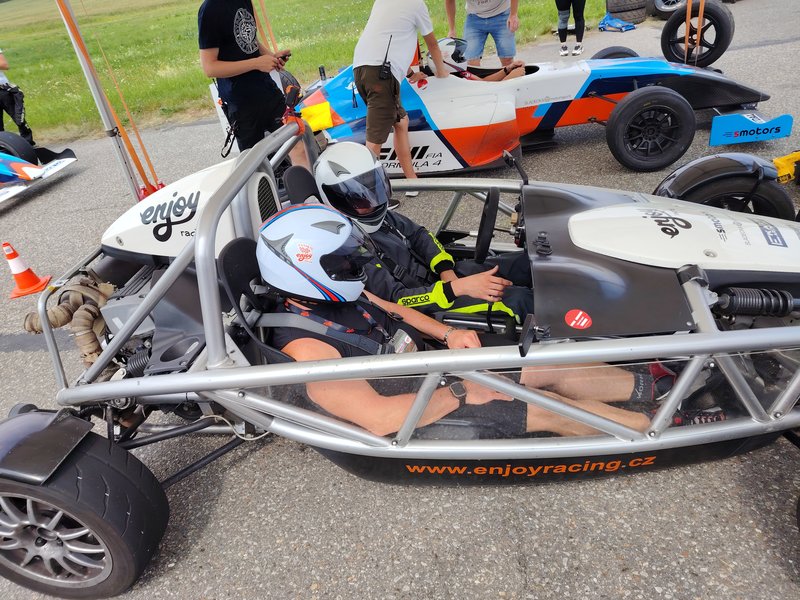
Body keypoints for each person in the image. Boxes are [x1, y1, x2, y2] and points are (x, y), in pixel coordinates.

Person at [256, 203, 652, 438]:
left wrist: (448, 332)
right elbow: (378, 418)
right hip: (424, 407)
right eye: (344, 263)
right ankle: (656, 427)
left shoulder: (339, 292)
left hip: (431, 366)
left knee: (544, 364)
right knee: (548, 405)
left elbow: (396, 309)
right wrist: (463, 393)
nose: (356, 268)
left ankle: (654, 386)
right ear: (302, 271)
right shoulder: (307, 349)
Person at [314, 142, 533, 320]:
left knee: (525, 264)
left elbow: (419, 234)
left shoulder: (383, 215)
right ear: (335, 198)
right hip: (428, 305)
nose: (373, 202)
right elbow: (396, 300)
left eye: (375, 189)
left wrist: (446, 271)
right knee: (520, 300)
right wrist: (455, 289)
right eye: (361, 198)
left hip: (443, 280)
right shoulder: (347, 250)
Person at [197, 0, 310, 169]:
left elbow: (250, 40)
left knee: (296, 145)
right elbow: (210, 68)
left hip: (267, 91)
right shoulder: (211, 9)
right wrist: (256, 63)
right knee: (256, 168)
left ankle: (306, 186)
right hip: (241, 104)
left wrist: (271, 57)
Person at [353, 0, 449, 194]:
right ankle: (366, 196)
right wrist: (442, 72)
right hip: (381, 75)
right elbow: (432, 44)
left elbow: (388, 40)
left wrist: (411, 74)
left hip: (362, 68)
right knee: (374, 141)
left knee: (401, 122)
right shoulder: (417, 4)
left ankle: (412, 182)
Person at [445, 0, 520, 68]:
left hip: (502, 13)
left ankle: (510, 77)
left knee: (507, 59)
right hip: (474, 18)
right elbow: (449, 1)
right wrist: (452, 30)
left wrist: (513, 14)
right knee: (471, 62)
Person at [429, 37, 525, 81]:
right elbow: (488, 91)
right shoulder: (453, 81)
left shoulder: (462, 74)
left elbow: (483, 82)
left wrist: (507, 69)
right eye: (459, 56)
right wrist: (511, 77)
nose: (463, 57)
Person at [0, 48, 35, 146]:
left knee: (19, 118)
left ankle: (29, 145)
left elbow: (4, 65)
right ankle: (3, 149)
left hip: (3, 90)